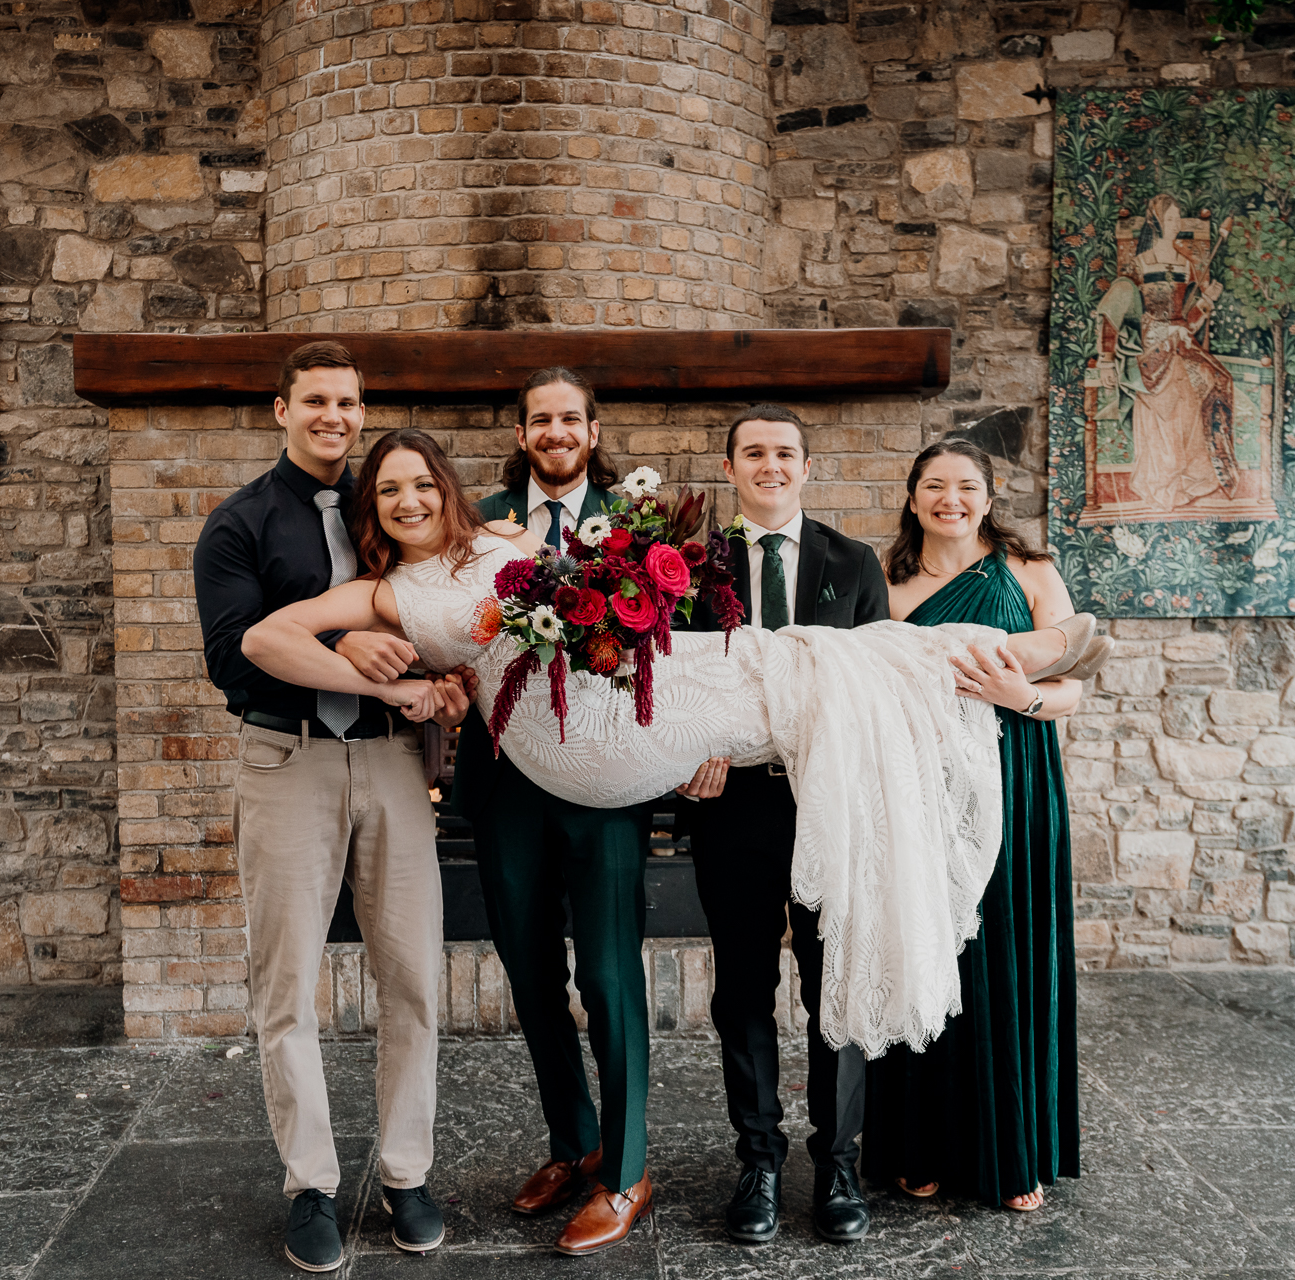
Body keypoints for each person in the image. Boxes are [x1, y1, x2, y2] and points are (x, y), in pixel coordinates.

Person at [242, 431, 1109, 1073]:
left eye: (423, 484)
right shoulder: (379, 593)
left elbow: (594, 590)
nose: (410, 501)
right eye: (390, 490)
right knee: (789, 669)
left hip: (617, 691)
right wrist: (385, 681)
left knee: (795, 666)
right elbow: (266, 640)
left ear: (447, 488)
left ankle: (1007, 656)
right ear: (374, 509)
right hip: (571, 739)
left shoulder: (506, 540)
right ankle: (1019, 650)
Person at [192, 341, 463, 1273]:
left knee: (415, 980)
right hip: (288, 761)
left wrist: (443, 685)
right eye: (315, 401)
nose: (334, 417)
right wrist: (361, 659)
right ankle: (309, 1184)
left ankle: (405, 1172)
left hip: (393, 767)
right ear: (282, 411)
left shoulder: (392, 508)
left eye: (347, 402)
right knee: (286, 987)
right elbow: (237, 657)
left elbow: (442, 616)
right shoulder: (239, 525)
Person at [443, 369, 659, 1254]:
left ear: (594, 430)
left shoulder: (643, 528)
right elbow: (451, 628)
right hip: (505, 782)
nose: (556, 431)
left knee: (607, 978)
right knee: (530, 974)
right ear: (523, 432)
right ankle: (574, 1144)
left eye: (571, 418)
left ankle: (630, 1168)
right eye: (541, 420)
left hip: (606, 783)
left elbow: (680, 646)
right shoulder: (477, 522)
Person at [673, 405, 886, 1245]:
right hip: (733, 808)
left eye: (785, 453)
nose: (771, 465)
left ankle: (838, 1165)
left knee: (833, 986)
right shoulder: (689, 566)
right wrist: (689, 754)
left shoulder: (852, 561)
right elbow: (672, 683)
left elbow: (876, 687)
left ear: (807, 468)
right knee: (742, 991)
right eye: (753, 452)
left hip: (828, 806)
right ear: (730, 469)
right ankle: (757, 1163)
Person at [864, 440, 1093, 1214]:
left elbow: (1071, 689)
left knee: (1004, 951)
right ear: (913, 497)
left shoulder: (1031, 575)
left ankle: (1013, 1148)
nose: (950, 499)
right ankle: (918, 1144)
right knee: (930, 950)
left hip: (1018, 781)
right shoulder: (887, 585)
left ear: (989, 498)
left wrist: (1015, 694)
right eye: (934, 485)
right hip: (922, 791)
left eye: (966, 486)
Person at [1093, 192, 1236, 513]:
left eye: (1177, 220)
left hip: (1179, 346)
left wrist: (1206, 301)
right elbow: (1114, 311)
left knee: (1210, 383)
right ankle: (1161, 479)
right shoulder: (1139, 265)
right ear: (1156, 223)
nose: (1175, 225)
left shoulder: (1187, 265)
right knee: (1166, 412)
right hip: (1148, 349)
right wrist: (1106, 359)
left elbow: (1188, 321)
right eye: (1169, 219)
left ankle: (1188, 476)